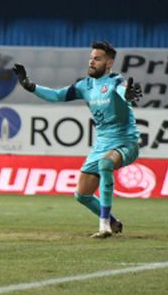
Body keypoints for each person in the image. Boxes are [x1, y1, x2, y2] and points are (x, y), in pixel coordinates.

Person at [12, 41, 142, 238]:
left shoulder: (116, 81)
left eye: (97, 59)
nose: (91, 62)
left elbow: (124, 91)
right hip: (102, 145)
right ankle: (114, 222)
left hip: (126, 143)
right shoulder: (85, 86)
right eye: (90, 58)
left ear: (109, 63)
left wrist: (129, 95)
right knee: (82, 195)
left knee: (106, 164)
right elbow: (56, 96)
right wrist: (30, 86)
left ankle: (104, 225)